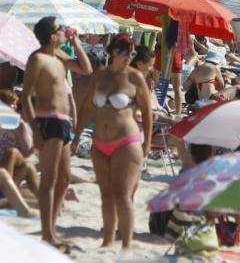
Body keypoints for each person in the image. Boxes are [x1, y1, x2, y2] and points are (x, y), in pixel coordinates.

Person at [73, 35, 153, 253]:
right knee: (105, 194)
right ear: (114, 53)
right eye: (126, 52)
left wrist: (147, 144)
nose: (130, 57)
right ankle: (108, 241)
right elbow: (87, 108)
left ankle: (126, 245)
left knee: (123, 194)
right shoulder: (99, 76)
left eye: (133, 53)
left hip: (126, 142)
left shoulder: (135, 77)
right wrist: (76, 136)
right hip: (99, 143)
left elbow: (147, 113)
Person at [21, 16, 92, 249]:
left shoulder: (58, 57)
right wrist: (35, 130)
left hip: (63, 122)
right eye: (61, 29)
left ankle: (51, 228)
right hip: (46, 121)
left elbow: (86, 69)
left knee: (63, 178)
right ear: (52, 36)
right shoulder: (38, 59)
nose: (65, 31)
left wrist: (77, 42)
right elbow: (26, 97)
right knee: (49, 179)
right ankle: (46, 233)